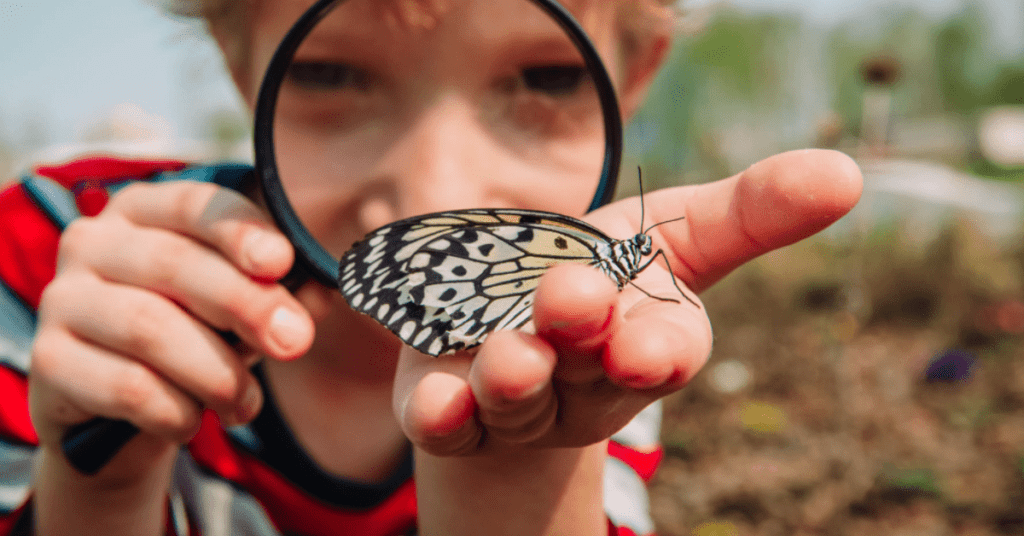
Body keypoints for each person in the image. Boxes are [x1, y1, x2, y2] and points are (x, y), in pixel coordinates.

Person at [0, 0, 863, 534]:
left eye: (549, 77)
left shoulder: (603, 331)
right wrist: (97, 494)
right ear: (241, 69)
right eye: (331, 72)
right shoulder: (57, 250)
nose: (433, 189)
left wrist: (518, 472)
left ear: (633, 76)